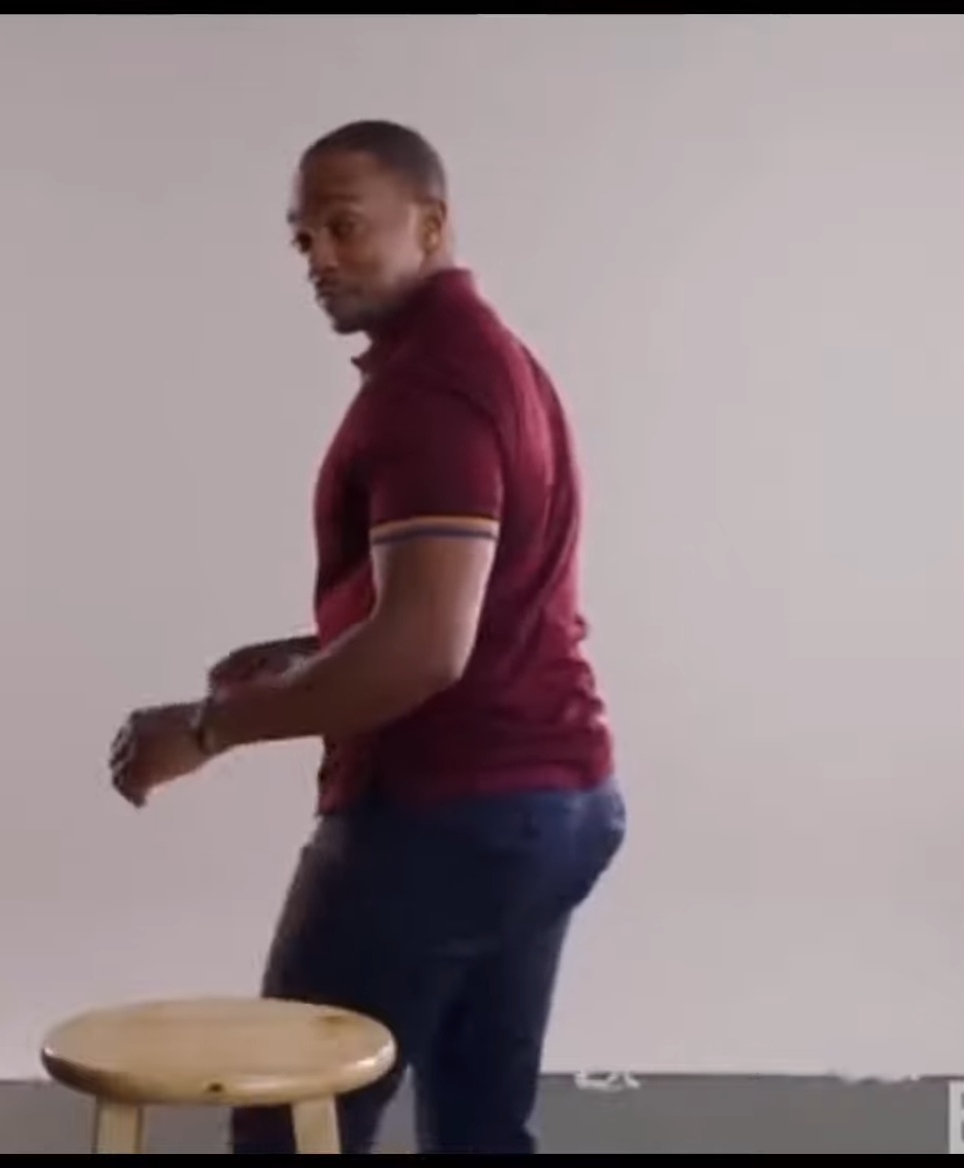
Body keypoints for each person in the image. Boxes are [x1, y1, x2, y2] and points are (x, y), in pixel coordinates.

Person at [106, 119, 624, 1156]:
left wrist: (208, 729)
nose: (319, 257)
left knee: (293, 1125)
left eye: (344, 226)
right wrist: (318, 650)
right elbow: (472, 604)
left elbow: (424, 648)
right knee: (480, 1129)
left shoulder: (428, 391)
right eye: (304, 237)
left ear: (431, 224)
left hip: (445, 813)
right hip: (557, 803)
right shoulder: (496, 362)